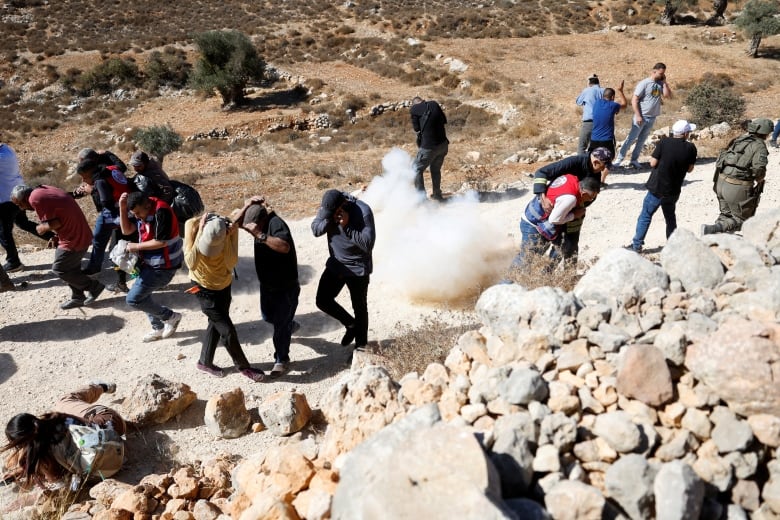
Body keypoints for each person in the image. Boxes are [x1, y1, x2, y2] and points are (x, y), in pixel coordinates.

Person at [183, 212, 264, 382]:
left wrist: (233, 235)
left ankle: (204, 362)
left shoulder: (229, 231)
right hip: (202, 288)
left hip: (223, 285)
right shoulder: (191, 225)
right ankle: (244, 367)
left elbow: (231, 262)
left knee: (217, 322)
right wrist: (200, 234)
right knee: (227, 330)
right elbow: (191, 262)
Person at [1, 382, 124, 489]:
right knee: (65, 401)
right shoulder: (56, 418)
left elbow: (59, 482)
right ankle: (102, 387)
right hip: (114, 425)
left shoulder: (43, 457)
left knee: (65, 402)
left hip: (108, 468)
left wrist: (29, 469)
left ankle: (101, 387)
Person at [11, 185, 104, 309]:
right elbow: (60, 216)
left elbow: (55, 223)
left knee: (60, 269)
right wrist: (56, 236)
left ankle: (93, 287)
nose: (21, 208)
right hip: (78, 233)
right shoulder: (42, 190)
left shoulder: (35, 198)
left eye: (19, 204)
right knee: (72, 269)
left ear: (24, 198)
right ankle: (78, 297)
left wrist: (40, 228)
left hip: (74, 238)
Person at [239, 198, 300, 377]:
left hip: (285, 286)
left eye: (254, 228)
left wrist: (260, 235)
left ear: (262, 221)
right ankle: (289, 325)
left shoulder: (276, 224)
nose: (250, 232)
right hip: (267, 285)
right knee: (268, 317)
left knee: (280, 327)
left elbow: (284, 246)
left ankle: (281, 359)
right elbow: (236, 224)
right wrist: (246, 205)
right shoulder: (258, 222)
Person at [311, 189, 376, 350]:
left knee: (359, 307)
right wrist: (328, 221)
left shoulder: (363, 211)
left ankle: (361, 347)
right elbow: (315, 229)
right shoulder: (329, 208)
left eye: (333, 212)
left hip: (357, 268)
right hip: (336, 265)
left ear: (343, 204)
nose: (330, 215)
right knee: (322, 300)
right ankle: (351, 324)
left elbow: (368, 245)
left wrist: (347, 226)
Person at [119, 191, 183, 342]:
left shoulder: (162, 211)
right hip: (149, 264)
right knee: (143, 296)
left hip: (164, 267)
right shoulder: (143, 210)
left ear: (147, 205)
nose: (136, 217)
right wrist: (122, 208)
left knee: (133, 299)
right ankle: (158, 327)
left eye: (138, 213)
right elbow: (126, 230)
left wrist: (135, 246)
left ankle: (170, 317)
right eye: (133, 213)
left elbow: (161, 242)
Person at [628, 120, 698, 252]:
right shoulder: (691, 148)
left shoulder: (664, 142)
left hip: (657, 187)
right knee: (670, 217)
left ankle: (636, 245)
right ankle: (672, 245)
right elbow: (690, 169)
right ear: (685, 133)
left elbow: (653, 163)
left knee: (646, 215)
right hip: (673, 189)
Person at [531, 147, 611, 262]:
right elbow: (541, 173)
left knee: (571, 246)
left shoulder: (596, 170)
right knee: (545, 244)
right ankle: (543, 274)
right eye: (603, 166)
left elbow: (592, 192)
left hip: (576, 213)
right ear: (596, 162)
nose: (604, 170)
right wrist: (541, 196)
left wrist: (579, 210)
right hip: (556, 210)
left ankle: (570, 276)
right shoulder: (574, 162)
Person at [512, 175, 601, 269]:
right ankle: (506, 282)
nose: (590, 200)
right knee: (526, 259)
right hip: (533, 225)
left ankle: (545, 276)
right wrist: (574, 215)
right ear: (583, 193)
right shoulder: (570, 199)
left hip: (534, 216)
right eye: (591, 197)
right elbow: (554, 220)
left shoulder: (571, 178)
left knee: (560, 247)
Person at [702, 117, 772, 235]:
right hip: (736, 187)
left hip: (721, 182)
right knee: (741, 220)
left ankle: (715, 238)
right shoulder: (759, 145)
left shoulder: (740, 138)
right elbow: (759, 169)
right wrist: (759, 180)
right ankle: (711, 230)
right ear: (766, 133)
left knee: (726, 214)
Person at [73, 159, 132, 283]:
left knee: (99, 240)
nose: (83, 181)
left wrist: (92, 191)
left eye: (84, 177)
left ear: (91, 173)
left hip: (113, 212)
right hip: (128, 207)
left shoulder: (99, 181)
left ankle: (95, 269)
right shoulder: (112, 169)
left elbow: (105, 202)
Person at [0, 141, 54, 272]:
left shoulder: (1, 157)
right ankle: (54, 238)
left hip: (6, 199)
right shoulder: (7, 149)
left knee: (3, 232)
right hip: (16, 194)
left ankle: (14, 262)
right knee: (23, 223)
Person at [613, 63, 673, 169]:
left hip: (652, 117)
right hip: (641, 116)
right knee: (631, 138)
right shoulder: (644, 83)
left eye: (663, 73)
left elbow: (668, 96)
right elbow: (634, 99)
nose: (662, 75)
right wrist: (638, 115)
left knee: (642, 140)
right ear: (654, 71)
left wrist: (664, 83)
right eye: (661, 73)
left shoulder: (660, 83)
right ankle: (619, 159)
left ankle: (634, 160)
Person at [588, 82, 627, 186]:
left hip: (594, 138)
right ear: (613, 97)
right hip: (607, 139)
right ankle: (601, 181)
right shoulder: (613, 105)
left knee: (592, 159)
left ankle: (590, 179)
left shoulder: (596, 103)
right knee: (609, 160)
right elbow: (624, 105)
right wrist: (621, 91)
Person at [410, 97, 448, 201]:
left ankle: (421, 199)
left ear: (414, 104)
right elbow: (444, 120)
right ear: (423, 100)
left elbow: (416, 128)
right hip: (443, 145)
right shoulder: (434, 104)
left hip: (429, 147)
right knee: (435, 169)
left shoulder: (414, 109)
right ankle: (437, 195)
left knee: (415, 169)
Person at [575, 74, 604, 155]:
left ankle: (581, 166)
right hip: (602, 123)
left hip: (589, 122)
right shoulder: (604, 90)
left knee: (582, 146)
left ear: (589, 83)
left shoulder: (587, 90)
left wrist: (587, 87)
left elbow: (578, 101)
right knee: (596, 147)